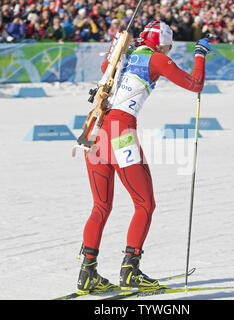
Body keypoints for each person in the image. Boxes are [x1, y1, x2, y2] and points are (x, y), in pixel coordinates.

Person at [77, 20, 210, 292]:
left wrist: (118, 48)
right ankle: (130, 271)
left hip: (95, 131)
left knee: (101, 206)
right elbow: (195, 84)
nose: (169, 51)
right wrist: (200, 54)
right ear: (160, 43)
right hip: (120, 132)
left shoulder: (123, 55)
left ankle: (87, 272)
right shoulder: (156, 58)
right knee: (144, 203)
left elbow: (106, 69)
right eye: (169, 45)